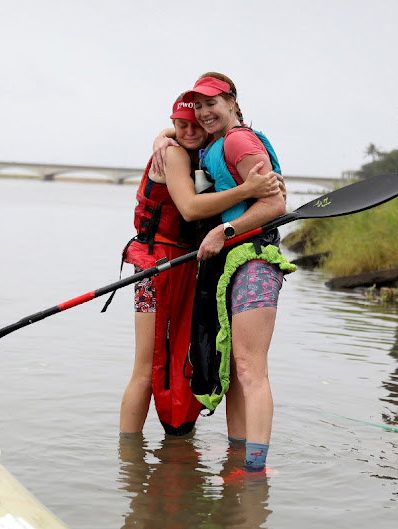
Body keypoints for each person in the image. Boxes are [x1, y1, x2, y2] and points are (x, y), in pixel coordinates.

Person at [118, 96, 284, 437]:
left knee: (182, 358)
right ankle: (128, 456)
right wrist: (250, 189)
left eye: (196, 123)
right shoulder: (174, 153)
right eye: (181, 125)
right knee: (146, 369)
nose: (189, 130)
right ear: (174, 126)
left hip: (189, 266)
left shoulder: (207, 152)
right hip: (156, 268)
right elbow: (192, 209)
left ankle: (178, 445)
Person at [175, 72, 296, 473]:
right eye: (199, 106)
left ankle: (256, 467)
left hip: (255, 261)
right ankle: (238, 456)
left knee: (249, 367)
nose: (205, 112)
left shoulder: (239, 140)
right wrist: (164, 137)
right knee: (233, 366)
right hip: (233, 262)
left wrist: (223, 230)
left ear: (231, 102)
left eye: (212, 103)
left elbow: (275, 204)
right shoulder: (215, 145)